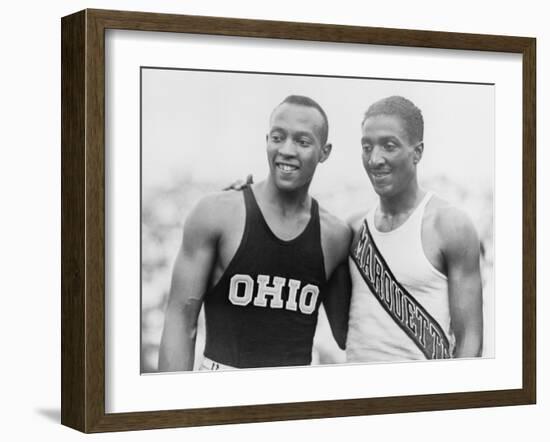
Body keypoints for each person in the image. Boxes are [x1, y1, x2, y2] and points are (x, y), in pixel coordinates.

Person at [158, 95, 352, 371]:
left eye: (302, 141)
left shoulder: (336, 235)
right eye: (277, 137)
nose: (286, 149)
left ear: (325, 152)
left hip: (293, 400)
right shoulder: (218, 213)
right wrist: (173, 410)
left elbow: (349, 335)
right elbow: (180, 320)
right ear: (266, 140)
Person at [346, 96, 483, 362]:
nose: (375, 159)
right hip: (358, 395)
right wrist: (243, 198)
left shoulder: (449, 225)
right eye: (366, 146)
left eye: (389, 146)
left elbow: (470, 341)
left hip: (423, 396)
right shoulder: (353, 230)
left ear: (417, 152)